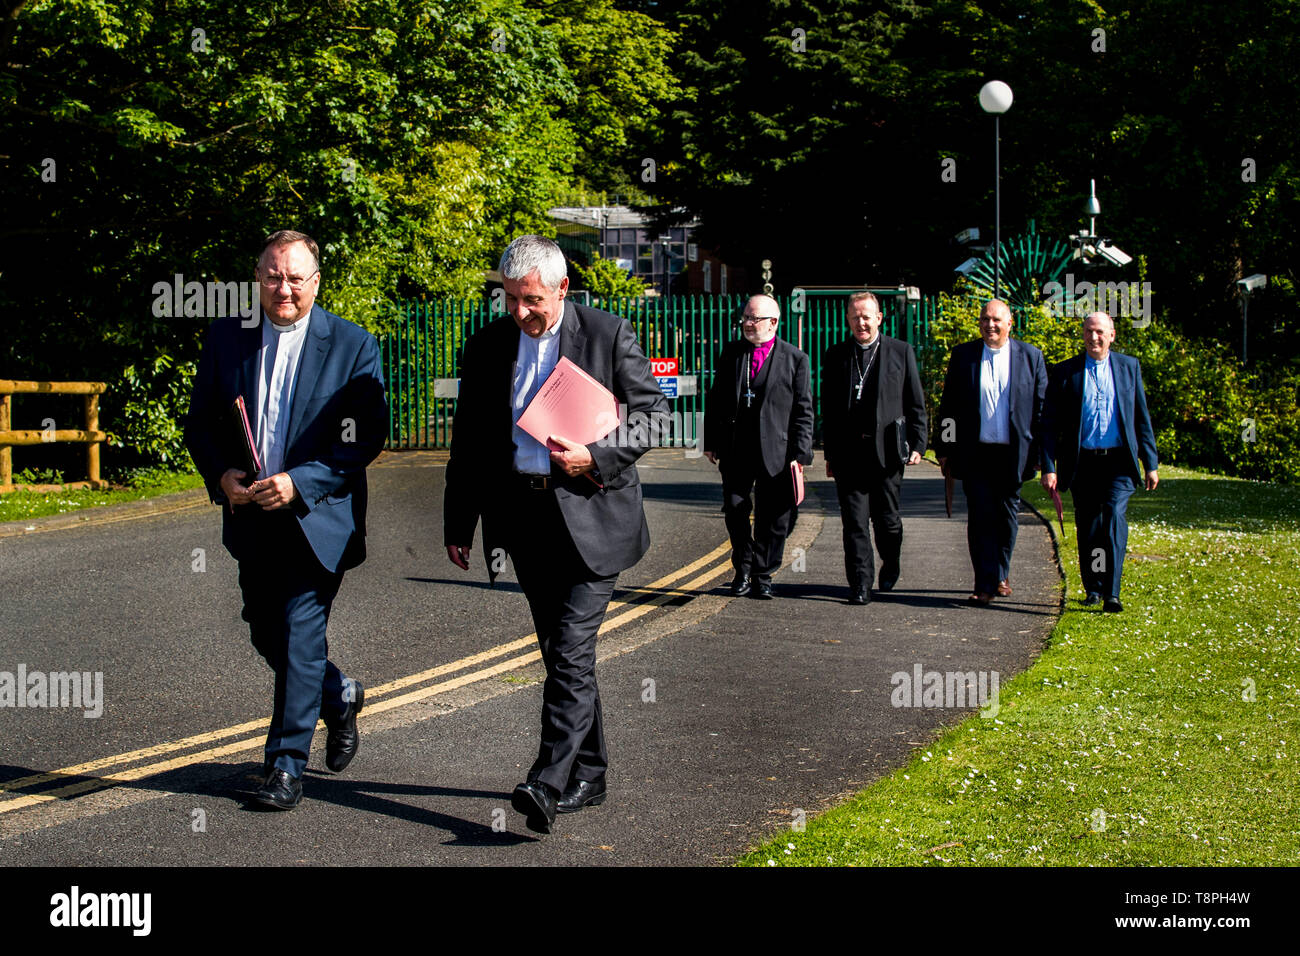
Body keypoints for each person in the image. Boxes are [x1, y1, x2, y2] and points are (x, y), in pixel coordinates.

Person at [443, 235, 667, 835]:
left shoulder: (608, 334)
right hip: (525, 519)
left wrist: (594, 455)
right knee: (563, 656)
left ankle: (547, 777)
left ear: (562, 289)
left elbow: (653, 417)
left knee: (569, 653)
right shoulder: (488, 345)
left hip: (594, 515)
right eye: (511, 299)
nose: (519, 312)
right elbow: (469, 441)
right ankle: (590, 773)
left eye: (532, 300)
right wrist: (459, 520)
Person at [184, 229, 388, 809]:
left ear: (315, 282)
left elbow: (365, 436)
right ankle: (338, 694)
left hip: (317, 516)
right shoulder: (228, 339)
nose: (285, 288)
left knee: (301, 632)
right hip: (251, 513)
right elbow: (201, 423)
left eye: (296, 277)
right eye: (274, 275)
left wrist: (301, 481)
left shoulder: (352, 345)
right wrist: (221, 475)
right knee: (263, 627)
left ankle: (285, 766)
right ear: (258, 279)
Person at [1040, 311, 1159, 612]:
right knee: (1090, 527)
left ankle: (1112, 593)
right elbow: (1050, 423)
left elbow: (1140, 417)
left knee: (1114, 520)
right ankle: (1093, 587)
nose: (1094, 337)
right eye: (1089, 331)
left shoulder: (1128, 367)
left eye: (1100, 332)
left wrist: (1151, 462)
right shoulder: (1067, 372)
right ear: (1083, 334)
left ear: (1112, 335)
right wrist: (1049, 466)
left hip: (1118, 462)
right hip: (1083, 463)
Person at [933, 298, 1046, 604]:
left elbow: (1040, 410)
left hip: (1013, 453)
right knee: (981, 517)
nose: (990, 325)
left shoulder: (1031, 356)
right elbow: (950, 407)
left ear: (1010, 324)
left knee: (1007, 517)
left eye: (997, 320)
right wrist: (944, 447)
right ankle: (984, 583)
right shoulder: (964, 356)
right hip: (976, 452)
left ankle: (1001, 573)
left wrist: (1042, 455)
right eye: (985, 320)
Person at [702, 294, 814, 600]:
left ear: (773, 323)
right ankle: (743, 569)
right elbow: (716, 400)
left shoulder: (795, 360)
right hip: (736, 449)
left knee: (774, 518)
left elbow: (804, 410)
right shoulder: (732, 353)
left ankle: (763, 575)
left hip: (778, 453)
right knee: (735, 511)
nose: (749, 325)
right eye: (746, 318)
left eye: (755, 319)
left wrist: (801, 454)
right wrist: (710, 441)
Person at [821, 291, 928, 604]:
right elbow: (828, 407)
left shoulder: (900, 351)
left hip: (887, 453)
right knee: (854, 523)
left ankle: (891, 561)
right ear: (847, 320)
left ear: (879, 318)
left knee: (887, 522)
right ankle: (860, 584)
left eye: (866, 316)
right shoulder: (836, 354)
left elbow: (915, 402)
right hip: (848, 456)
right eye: (855, 316)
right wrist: (829, 454)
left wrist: (919, 442)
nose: (861, 322)